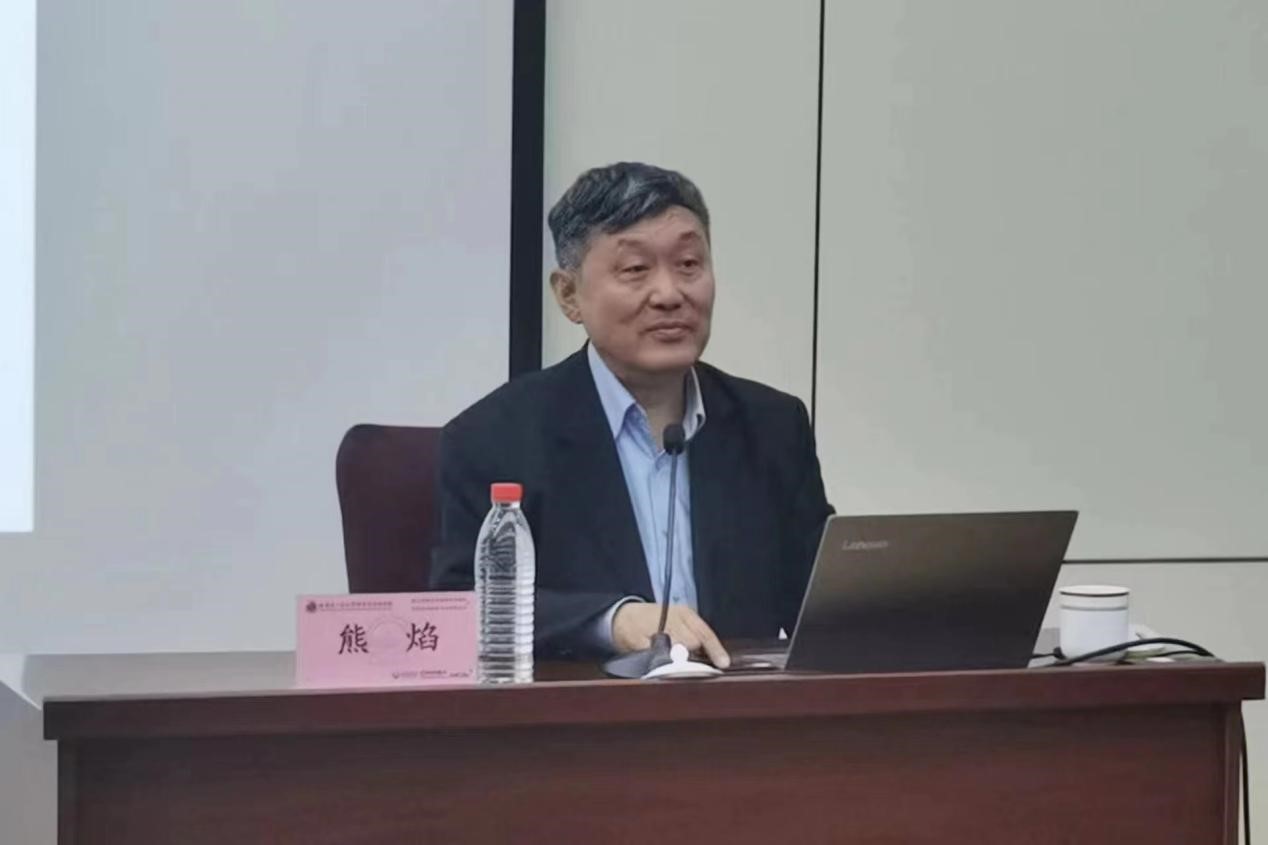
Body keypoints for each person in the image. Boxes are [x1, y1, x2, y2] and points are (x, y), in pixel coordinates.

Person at [431, 162, 832, 667]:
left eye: (689, 264)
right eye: (635, 270)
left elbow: (825, 605)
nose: (669, 295)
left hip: (736, 708)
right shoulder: (494, 438)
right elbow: (461, 608)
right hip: (584, 712)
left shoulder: (772, 426)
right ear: (569, 295)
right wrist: (610, 621)